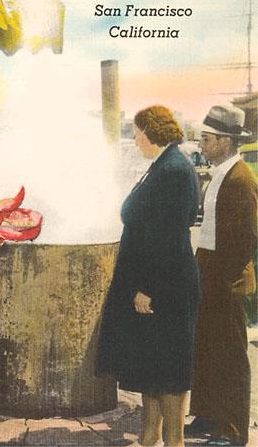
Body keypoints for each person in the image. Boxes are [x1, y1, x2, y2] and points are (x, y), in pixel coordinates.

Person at [96, 105, 200, 447]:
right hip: (162, 282)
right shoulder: (164, 165)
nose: (135, 138)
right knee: (152, 365)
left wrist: (146, 288)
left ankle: (173, 441)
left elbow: (167, 237)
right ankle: (149, 436)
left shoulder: (173, 170)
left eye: (136, 131)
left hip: (165, 286)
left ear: (149, 131)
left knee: (168, 369)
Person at [188, 104, 257, 446]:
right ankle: (207, 415)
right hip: (211, 276)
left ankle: (232, 430)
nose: (202, 144)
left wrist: (223, 281)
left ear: (225, 141)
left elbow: (247, 239)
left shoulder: (241, 179)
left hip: (226, 283)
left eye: (207, 138)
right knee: (207, 349)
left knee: (230, 357)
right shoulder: (220, 173)